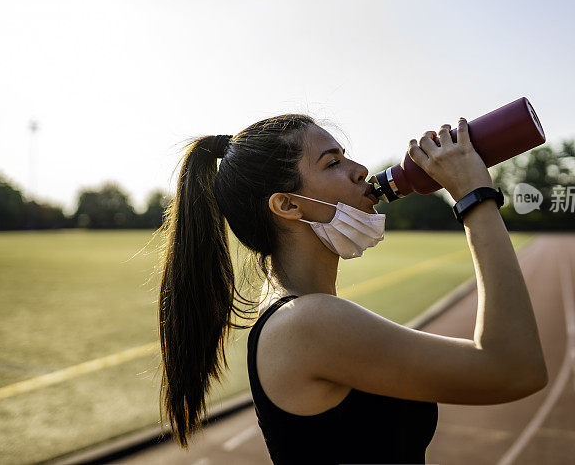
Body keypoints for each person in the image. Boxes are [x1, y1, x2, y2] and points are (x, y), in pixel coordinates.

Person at [157, 114, 548, 464]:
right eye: (333, 163)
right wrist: (474, 196)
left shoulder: (298, 311)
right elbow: (514, 368)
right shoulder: (306, 323)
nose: (361, 170)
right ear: (288, 206)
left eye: (347, 156)